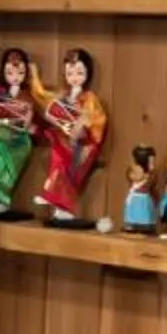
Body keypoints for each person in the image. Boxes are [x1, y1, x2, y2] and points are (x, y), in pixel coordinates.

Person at [31, 48, 109, 226]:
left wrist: (83, 125)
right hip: (65, 140)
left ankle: (51, 196)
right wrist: (34, 74)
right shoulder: (63, 95)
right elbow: (43, 96)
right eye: (70, 73)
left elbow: (98, 120)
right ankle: (59, 209)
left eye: (79, 72)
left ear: (87, 74)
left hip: (83, 144)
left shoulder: (89, 98)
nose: (74, 77)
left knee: (65, 168)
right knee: (58, 163)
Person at [0, 48, 46, 220]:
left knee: (12, 169)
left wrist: (28, 125)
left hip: (19, 140)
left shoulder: (27, 96)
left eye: (20, 72)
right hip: (1, 134)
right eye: (10, 72)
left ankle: (1, 201)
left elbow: (30, 115)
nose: (15, 77)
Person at [116, 144, 159, 234]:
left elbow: (152, 182)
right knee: (133, 211)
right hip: (135, 196)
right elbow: (130, 177)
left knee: (145, 211)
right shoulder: (134, 170)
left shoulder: (150, 174)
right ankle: (132, 225)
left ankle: (146, 226)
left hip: (144, 197)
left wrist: (151, 171)